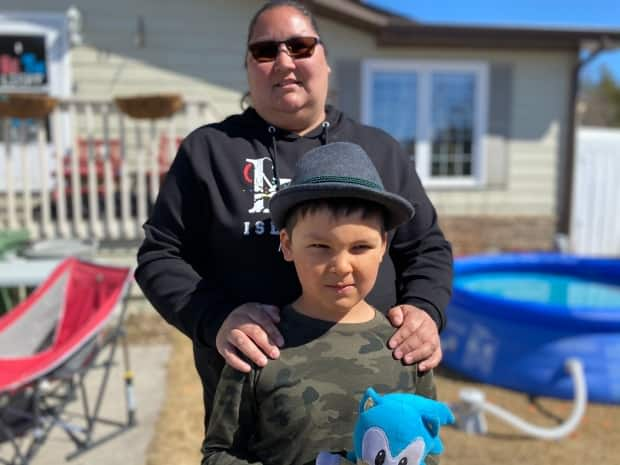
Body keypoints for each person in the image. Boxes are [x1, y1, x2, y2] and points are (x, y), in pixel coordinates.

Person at [135, 0, 452, 439]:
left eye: (300, 46)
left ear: (325, 60)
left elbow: (427, 248)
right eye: (265, 51)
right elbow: (160, 255)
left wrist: (424, 309)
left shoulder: (379, 150)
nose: (284, 60)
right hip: (256, 407)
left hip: (373, 399)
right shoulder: (209, 151)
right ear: (248, 67)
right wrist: (216, 317)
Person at [202, 141, 439, 465]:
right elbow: (219, 455)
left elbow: (427, 452)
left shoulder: (408, 347)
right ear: (287, 244)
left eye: (360, 247)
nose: (341, 266)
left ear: (383, 245)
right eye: (319, 246)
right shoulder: (259, 346)